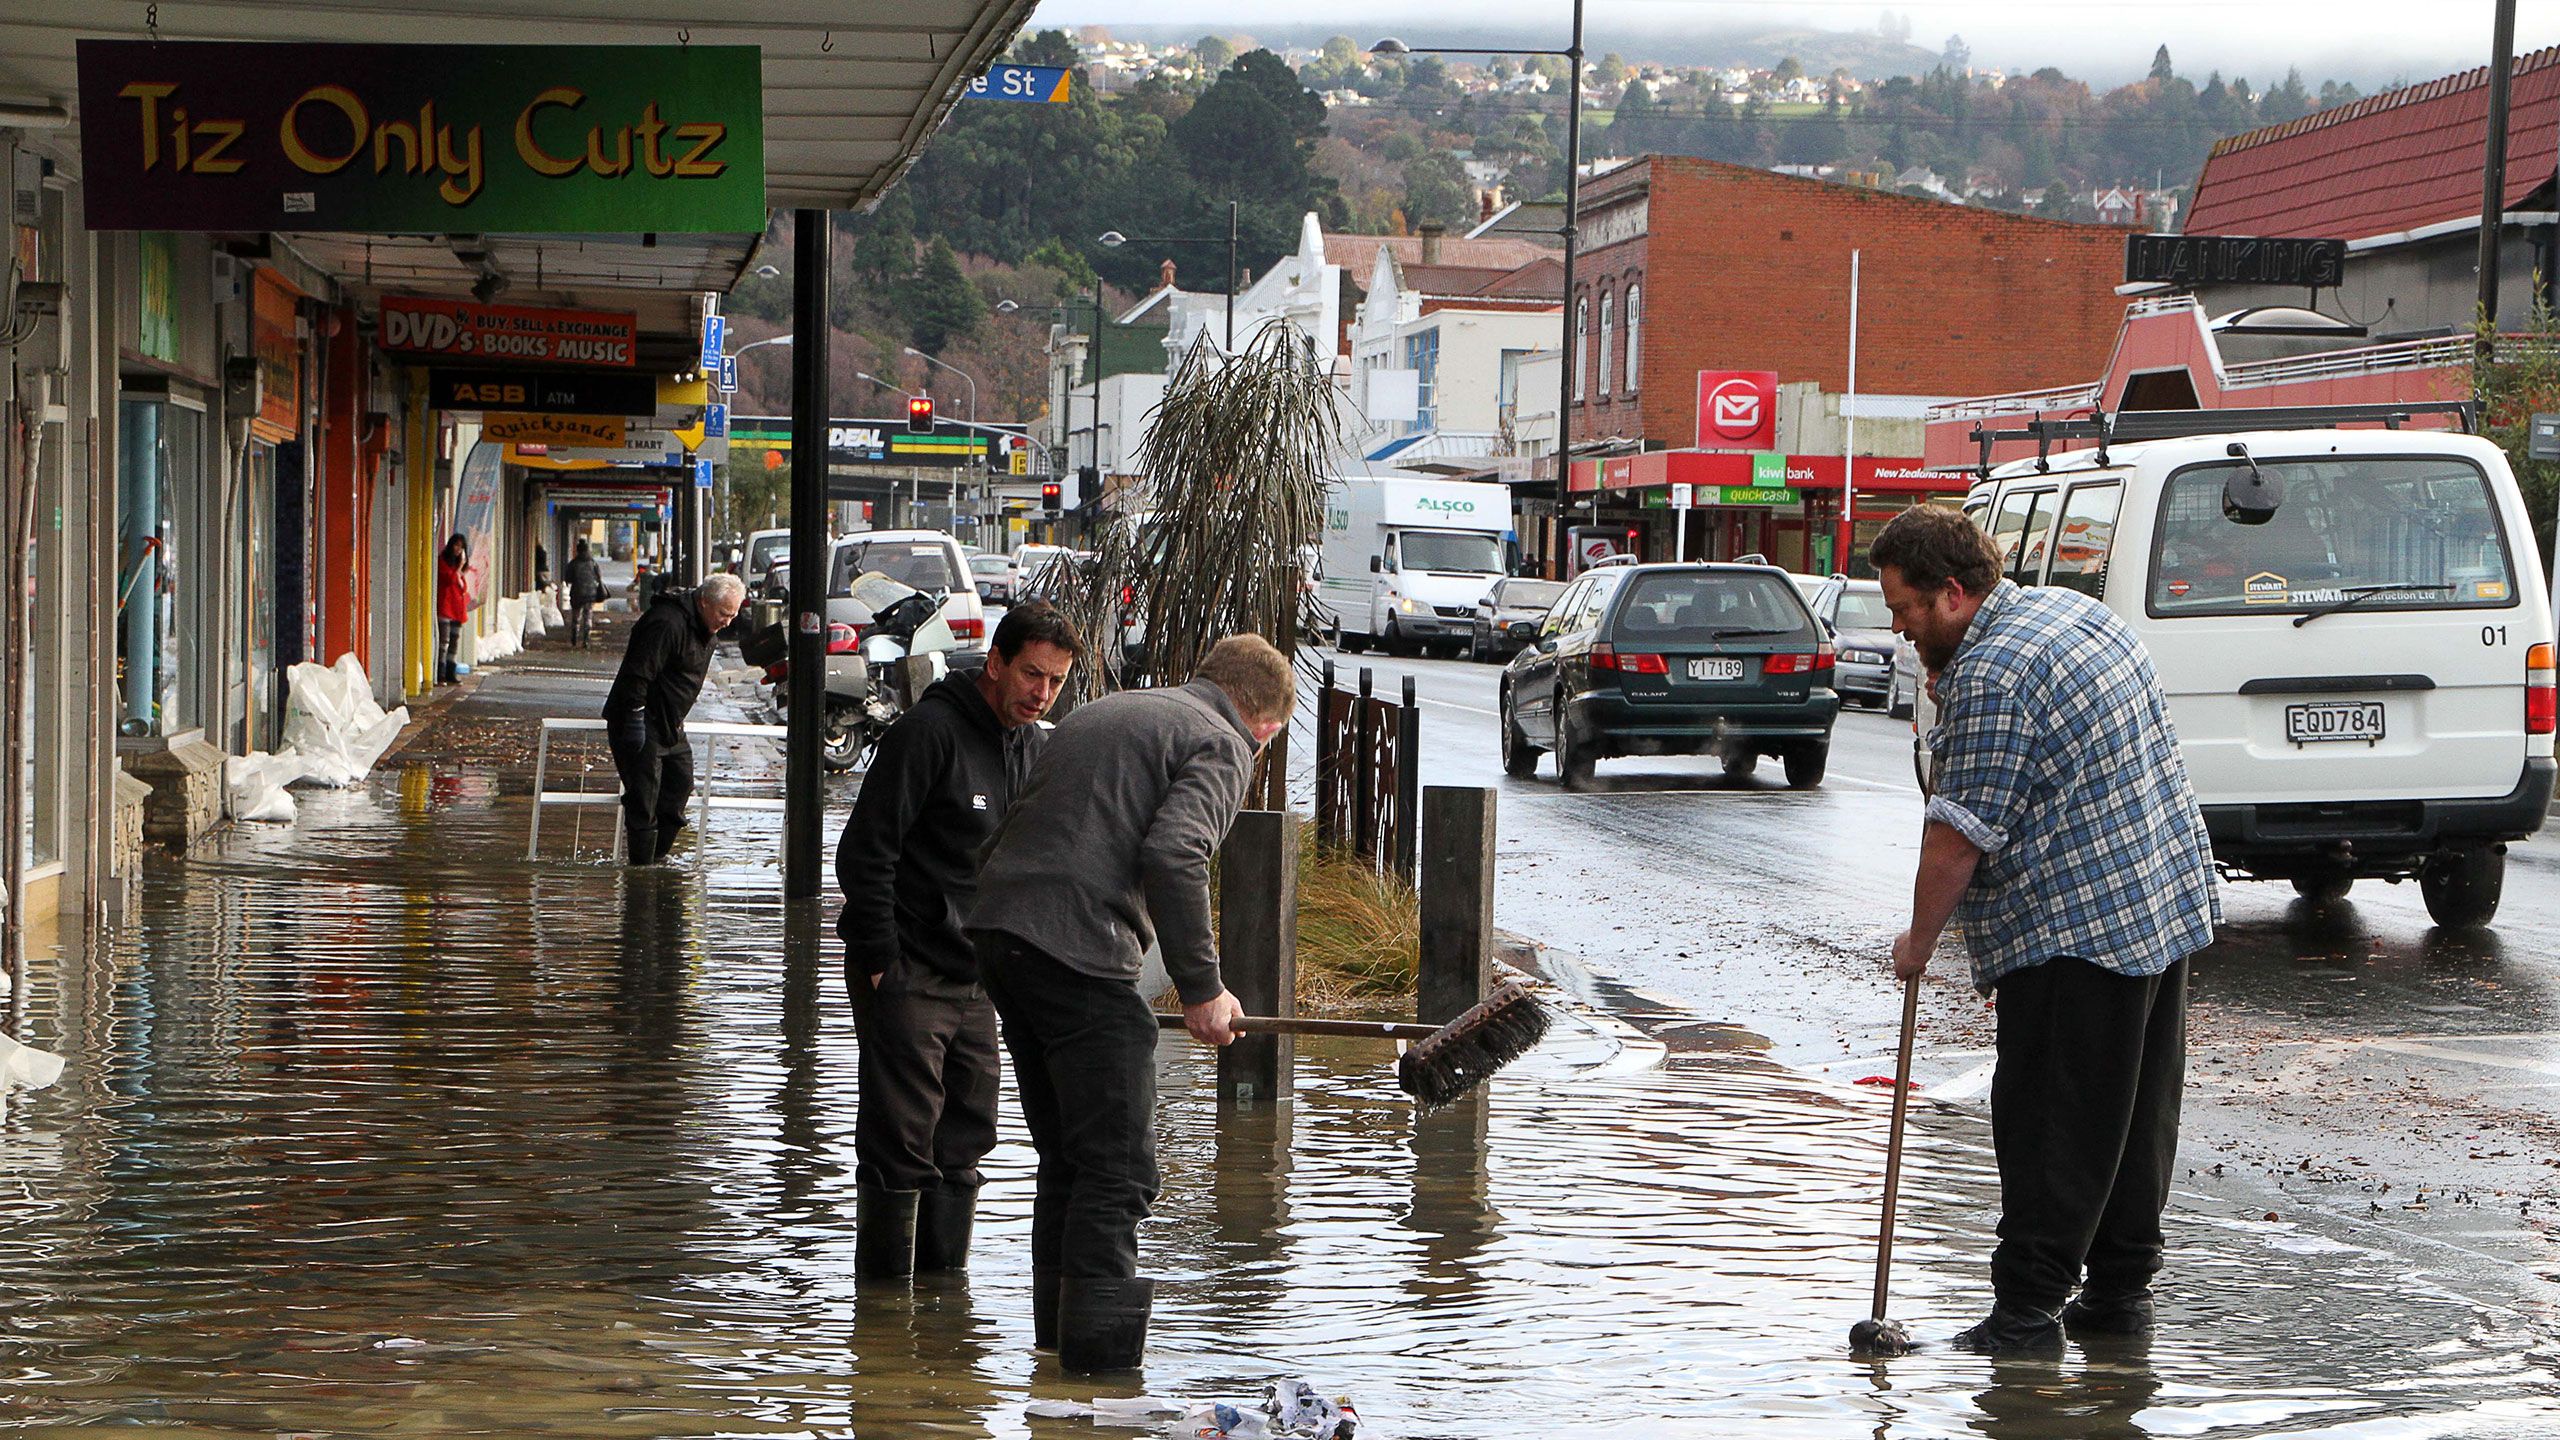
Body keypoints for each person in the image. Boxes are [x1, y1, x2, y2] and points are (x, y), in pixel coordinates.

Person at [1872, 507, 2218, 1355]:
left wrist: (1918, 942)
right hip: (2159, 908)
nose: (1898, 626)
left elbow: (1958, 832)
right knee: (2132, 1120)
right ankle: (2116, 1304)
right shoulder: (2076, 612)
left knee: (2052, 1124)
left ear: (1953, 594)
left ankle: (2026, 1316)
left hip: (2075, 930)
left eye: (1906, 608)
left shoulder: (1993, 673)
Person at [966, 634, 1293, 1373]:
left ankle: (1055, 1367)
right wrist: (1205, 989)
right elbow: (1176, 854)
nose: (1259, 751)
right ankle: (1100, 1379)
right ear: (1261, 719)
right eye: (1266, 740)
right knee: (1118, 1168)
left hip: (1000, 938)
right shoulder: (1222, 739)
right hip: (1076, 950)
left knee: (1069, 1159)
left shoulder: (1110, 711)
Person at [837, 602, 1084, 1281]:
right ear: (996, 663)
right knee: (900, 1140)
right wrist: (882, 961)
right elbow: (865, 854)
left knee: (968, 1135)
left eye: (1056, 681)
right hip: (909, 967)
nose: (1041, 693)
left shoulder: (1035, 749)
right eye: (1031, 674)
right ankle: (883, 1320)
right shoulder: (928, 735)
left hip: (979, 978)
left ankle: (943, 1316)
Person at [601, 572, 746, 864]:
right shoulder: (667, 622)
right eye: (723, 614)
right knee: (644, 798)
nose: (727, 622)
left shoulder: (705, 626)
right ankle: (642, 870)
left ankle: (657, 857)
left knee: (680, 785)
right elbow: (638, 672)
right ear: (704, 602)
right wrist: (633, 718)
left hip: (670, 723)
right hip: (641, 717)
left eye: (733, 615)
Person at [435, 534, 471, 685]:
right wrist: (458, 568)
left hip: (457, 609)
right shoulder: (443, 562)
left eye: (461, 547)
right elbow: (448, 580)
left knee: (454, 642)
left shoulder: (459, 568)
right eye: (456, 545)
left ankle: (451, 670)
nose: (458, 549)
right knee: (444, 641)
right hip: (445, 607)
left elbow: (462, 587)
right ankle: (441, 672)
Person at [565, 540, 605, 649]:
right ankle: (586, 640)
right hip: (591, 593)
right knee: (588, 616)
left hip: (577, 593)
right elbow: (599, 577)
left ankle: (574, 636)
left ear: (577, 551)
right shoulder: (593, 563)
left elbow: (568, 578)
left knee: (576, 616)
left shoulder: (573, 563)